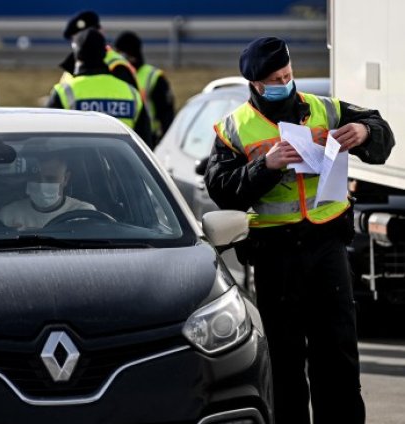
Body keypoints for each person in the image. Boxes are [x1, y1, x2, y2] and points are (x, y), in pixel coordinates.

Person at [204, 36, 395, 424]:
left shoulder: (324, 109)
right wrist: (266, 166)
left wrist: (364, 133)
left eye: (288, 74)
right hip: (276, 256)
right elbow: (223, 190)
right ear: (256, 84)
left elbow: (380, 130)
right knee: (285, 364)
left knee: (338, 358)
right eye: (276, 78)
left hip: (327, 248)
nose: (285, 82)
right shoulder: (234, 128)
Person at [46, 28, 152, 146]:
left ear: (76, 56)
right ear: (105, 53)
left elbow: (47, 142)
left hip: (77, 163)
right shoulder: (131, 93)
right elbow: (146, 145)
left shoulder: (64, 92)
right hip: (121, 163)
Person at [0, 155, 95, 230]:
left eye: (51, 179)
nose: (42, 184)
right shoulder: (8, 215)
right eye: (35, 178)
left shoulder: (84, 214)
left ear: (65, 179)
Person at [114, 31, 175, 148]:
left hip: (148, 138)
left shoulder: (153, 76)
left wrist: (164, 143)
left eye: (119, 52)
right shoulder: (117, 74)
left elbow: (166, 114)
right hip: (122, 135)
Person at [58, 10, 138, 90]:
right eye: (80, 38)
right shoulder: (69, 69)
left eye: (91, 35)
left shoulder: (117, 66)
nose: (85, 40)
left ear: (101, 33)